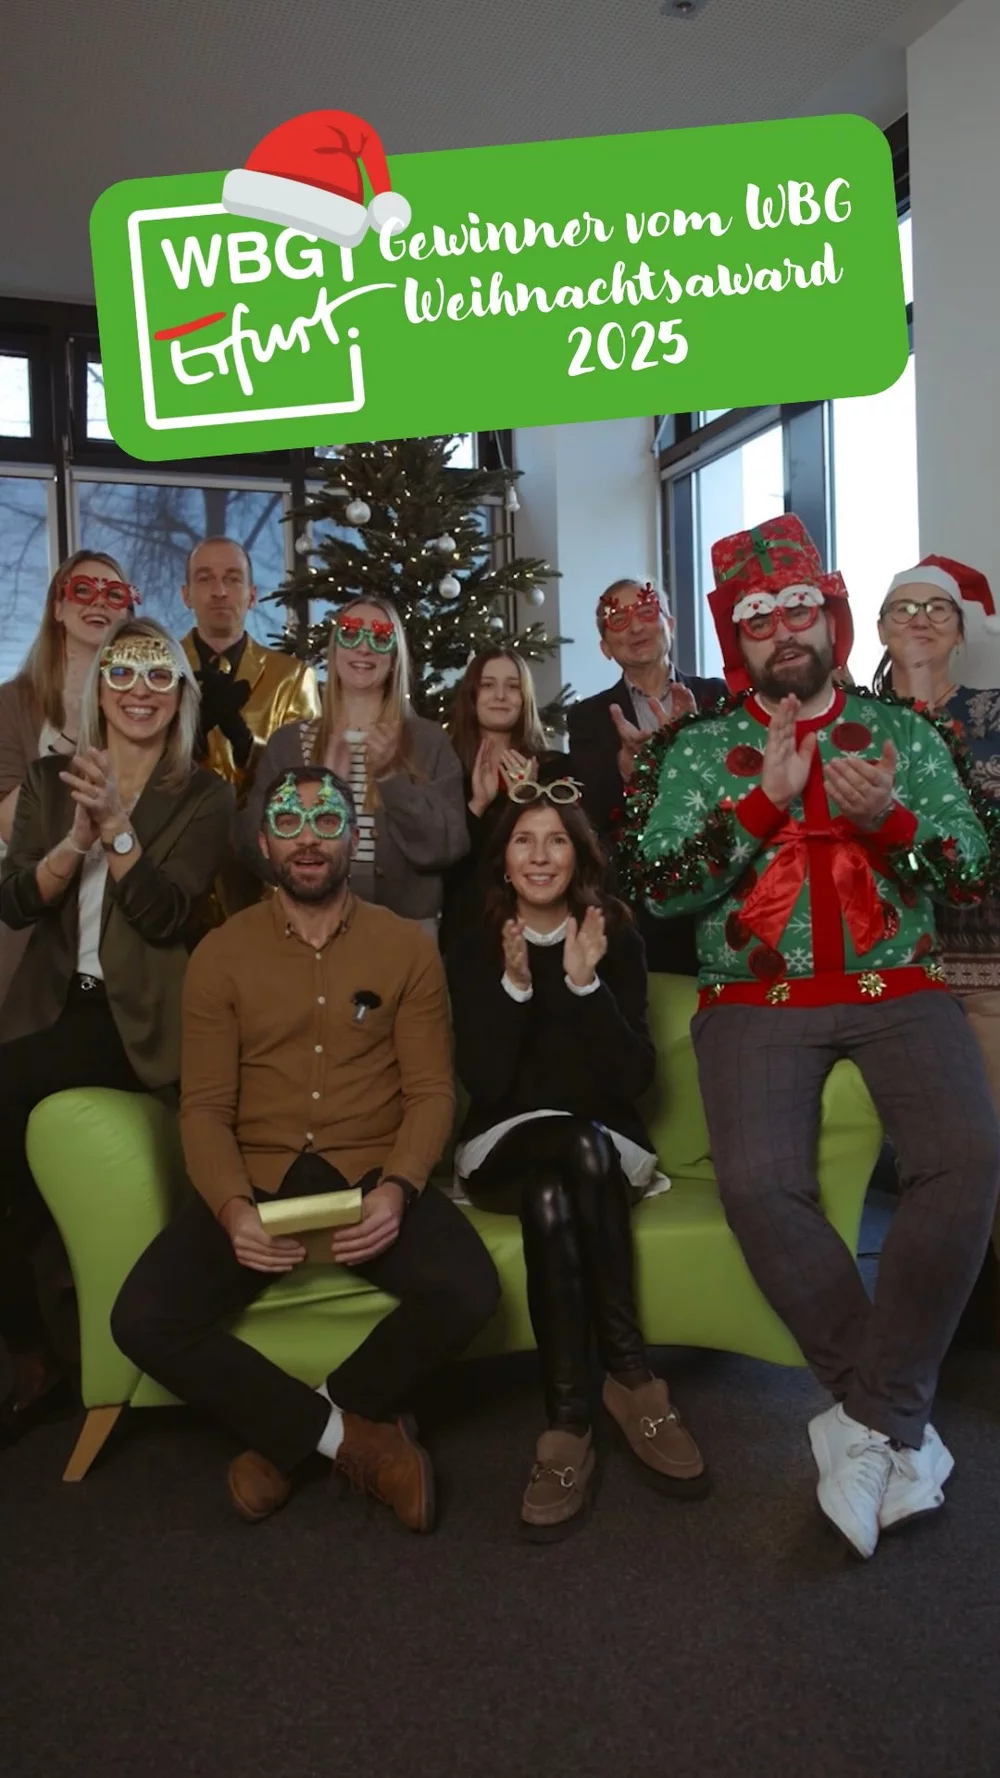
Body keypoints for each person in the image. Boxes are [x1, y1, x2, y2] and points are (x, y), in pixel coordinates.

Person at [622, 513, 1000, 1561]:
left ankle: (870, 1422)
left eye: (796, 608)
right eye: (754, 619)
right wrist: (758, 805)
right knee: (756, 1183)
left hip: (899, 983)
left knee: (967, 1158)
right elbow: (652, 887)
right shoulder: (689, 750)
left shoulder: (907, 735)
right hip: (757, 1002)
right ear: (731, 639)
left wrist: (891, 822)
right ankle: (895, 1422)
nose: (779, 630)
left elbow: (971, 872)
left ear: (828, 615)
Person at [111, 766, 500, 1531]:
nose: (309, 839)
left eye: (327, 823)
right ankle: (353, 1441)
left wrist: (398, 1188)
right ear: (264, 842)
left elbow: (430, 1092)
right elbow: (205, 1107)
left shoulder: (406, 949)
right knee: (143, 1319)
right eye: (289, 822)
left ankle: (298, 1435)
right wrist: (230, 1209)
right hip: (258, 1172)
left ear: (353, 838)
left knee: (471, 1291)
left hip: (368, 1171)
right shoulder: (220, 955)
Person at [446, 778, 707, 1542]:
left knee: (560, 1189)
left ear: (578, 855)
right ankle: (633, 1376)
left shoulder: (614, 935)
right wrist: (517, 990)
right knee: (568, 1149)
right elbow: (488, 1084)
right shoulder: (475, 945)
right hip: (504, 1143)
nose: (539, 854)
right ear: (503, 862)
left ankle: (567, 1420)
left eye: (556, 839)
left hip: (599, 1145)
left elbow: (631, 1082)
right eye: (524, 840)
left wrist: (586, 986)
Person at [0, 618, 233, 1438]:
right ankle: (37, 1348)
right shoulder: (48, 777)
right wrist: (73, 838)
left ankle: (34, 1355)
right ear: (99, 690)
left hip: (132, 1023)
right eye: (124, 677)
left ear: (180, 696)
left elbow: (168, 914)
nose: (140, 693)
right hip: (49, 1006)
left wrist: (120, 829)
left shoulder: (204, 793)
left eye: (158, 677)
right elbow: (17, 899)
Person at [873, 555, 1000, 1272]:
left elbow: (980, 840)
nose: (920, 619)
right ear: (881, 629)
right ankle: (930, 1331)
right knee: (927, 1166)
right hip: (890, 977)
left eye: (937, 610)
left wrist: (924, 711)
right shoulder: (853, 720)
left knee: (993, 1152)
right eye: (904, 608)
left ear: (959, 636)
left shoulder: (992, 716)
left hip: (984, 975)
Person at [239, 597, 468, 937]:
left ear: (395, 658)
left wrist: (392, 778)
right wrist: (320, 797)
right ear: (333, 651)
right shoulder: (289, 744)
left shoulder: (428, 741)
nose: (364, 648)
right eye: (350, 634)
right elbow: (252, 846)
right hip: (308, 929)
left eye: (379, 637)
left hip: (404, 934)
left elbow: (447, 848)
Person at [567, 578, 726, 974]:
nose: (636, 628)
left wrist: (698, 746)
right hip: (638, 905)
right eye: (617, 620)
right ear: (606, 648)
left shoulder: (716, 697)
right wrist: (626, 771)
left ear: (669, 623)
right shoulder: (589, 717)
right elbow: (590, 818)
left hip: (721, 887)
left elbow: (742, 789)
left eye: (646, 611)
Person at [0, 550, 137, 1006]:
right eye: (83, 590)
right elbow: (9, 825)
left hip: (121, 925)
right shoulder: (12, 704)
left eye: (113, 593)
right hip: (34, 928)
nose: (99, 602)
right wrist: (73, 732)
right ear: (57, 607)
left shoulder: (147, 701)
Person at [180, 536, 320, 922]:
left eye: (233, 578)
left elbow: (306, 784)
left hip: (264, 886)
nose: (220, 590)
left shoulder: (292, 678)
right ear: (186, 594)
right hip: (174, 880)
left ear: (252, 594)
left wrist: (245, 744)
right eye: (205, 578)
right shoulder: (161, 673)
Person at [441, 648, 558, 951]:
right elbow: (444, 870)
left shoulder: (554, 768)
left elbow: (567, 855)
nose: (501, 695)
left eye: (513, 686)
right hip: (469, 931)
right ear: (472, 695)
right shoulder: (444, 769)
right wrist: (477, 806)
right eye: (488, 685)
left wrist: (527, 800)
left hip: (541, 931)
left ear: (524, 698)